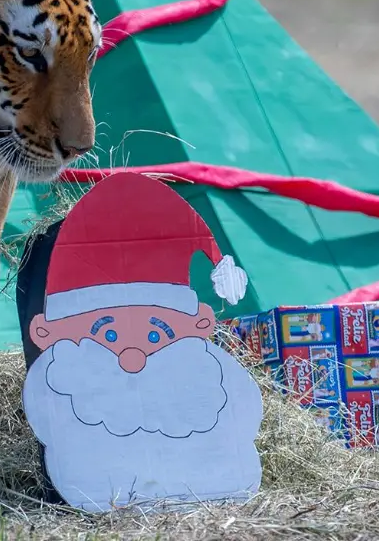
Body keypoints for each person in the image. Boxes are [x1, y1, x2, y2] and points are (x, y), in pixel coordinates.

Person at [19, 173, 264, 513]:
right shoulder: (59, 402)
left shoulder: (219, 387)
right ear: (46, 333)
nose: (132, 358)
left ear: (202, 324)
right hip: (94, 501)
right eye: (107, 336)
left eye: (156, 335)